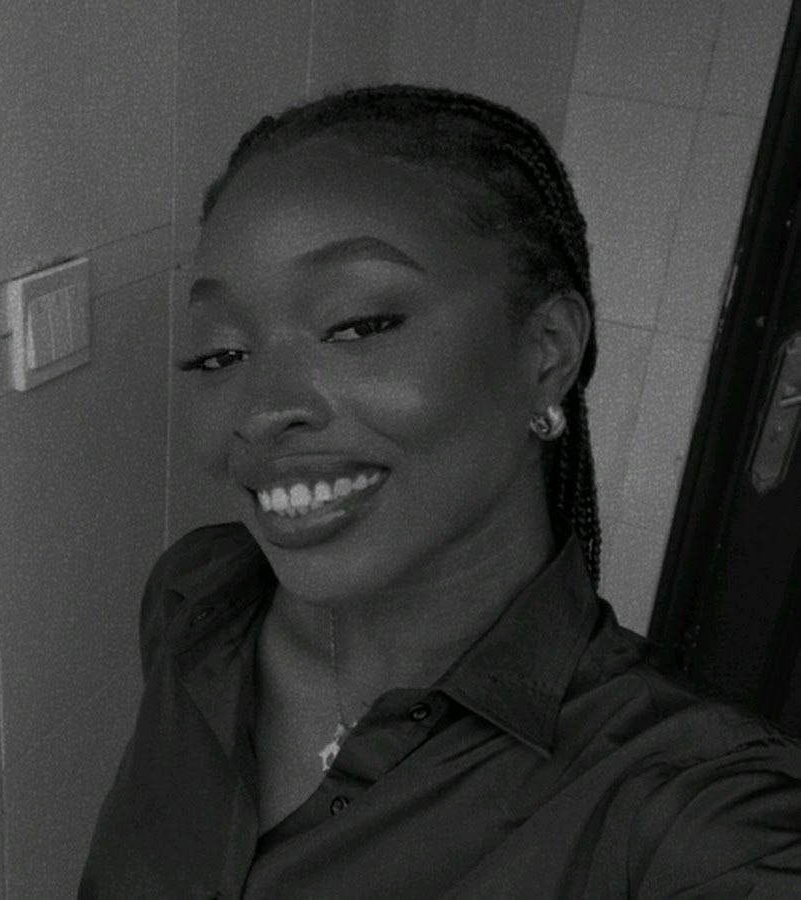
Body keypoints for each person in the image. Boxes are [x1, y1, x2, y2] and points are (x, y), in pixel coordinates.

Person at [79, 85, 801, 899]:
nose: (260, 411)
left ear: (547, 352)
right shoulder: (195, 602)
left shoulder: (685, 813)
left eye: (358, 325)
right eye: (220, 355)